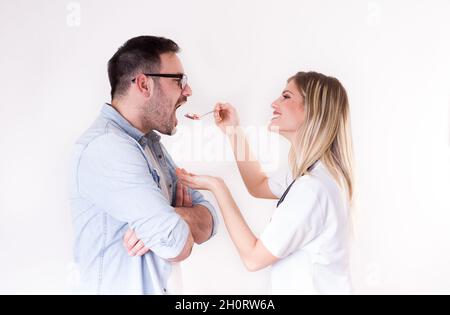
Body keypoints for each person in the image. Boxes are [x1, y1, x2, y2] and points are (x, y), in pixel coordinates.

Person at [178, 71, 355, 294]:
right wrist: (233, 131)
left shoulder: (311, 188)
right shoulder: (314, 174)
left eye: (286, 96)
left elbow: (253, 258)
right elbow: (258, 185)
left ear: (313, 109)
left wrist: (218, 187)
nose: (274, 103)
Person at [69, 36, 218, 294]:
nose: (188, 91)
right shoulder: (107, 148)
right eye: (178, 80)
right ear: (143, 84)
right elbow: (177, 244)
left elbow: (210, 221)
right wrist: (172, 223)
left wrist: (176, 215)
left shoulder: (148, 143)